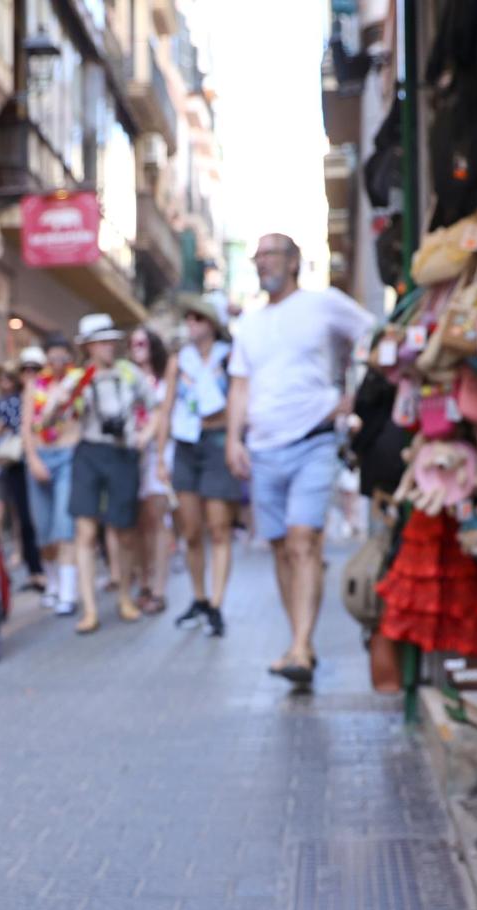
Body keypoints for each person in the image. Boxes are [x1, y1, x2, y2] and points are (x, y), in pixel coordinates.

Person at [225, 234, 374, 684]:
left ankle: (302, 647)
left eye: (270, 254)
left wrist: (355, 394)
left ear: (293, 262)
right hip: (263, 447)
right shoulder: (249, 324)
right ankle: (297, 643)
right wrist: (233, 439)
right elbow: (240, 386)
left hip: (314, 439)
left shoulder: (323, 304)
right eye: (257, 256)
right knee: (280, 547)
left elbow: (371, 332)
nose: (261, 263)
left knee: (303, 539)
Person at [40, 314, 157, 633]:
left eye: (110, 340)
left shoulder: (128, 372)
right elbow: (46, 422)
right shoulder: (79, 378)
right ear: (88, 347)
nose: (108, 346)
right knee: (85, 531)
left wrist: (145, 437)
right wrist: (58, 404)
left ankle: (125, 596)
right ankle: (90, 609)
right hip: (89, 452)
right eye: (101, 341)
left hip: (123, 453)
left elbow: (156, 408)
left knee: (124, 530)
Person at [155, 294, 237, 638]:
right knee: (190, 530)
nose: (191, 323)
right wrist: (161, 456)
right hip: (186, 445)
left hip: (217, 443)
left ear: (212, 324)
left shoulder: (229, 357)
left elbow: (239, 403)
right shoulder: (180, 362)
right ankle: (199, 598)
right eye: (188, 318)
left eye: (198, 318)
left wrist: (236, 441)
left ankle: (216, 604)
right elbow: (166, 409)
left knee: (219, 527)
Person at [23, 335, 83, 615]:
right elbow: (27, 428)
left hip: (67, 456)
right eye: (52, 357)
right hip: (41, 456)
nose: (58, 363)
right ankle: (53, 582)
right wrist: (33, 460)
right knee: (44, 527)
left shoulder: (77, 384)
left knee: (65, 524)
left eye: (63, 357)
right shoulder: (34, 386)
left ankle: (68, 591)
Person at [129, 325, 173, 615]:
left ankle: (158, 588)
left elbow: (164, 415)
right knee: (138, 523)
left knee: (158, 519)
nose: (137, 348)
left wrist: (160, 459)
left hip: (159, 452)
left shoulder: (165, 377)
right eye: (133, 344)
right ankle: (143, 581)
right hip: (132, 455)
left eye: (142, 343)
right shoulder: (126, 378)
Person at [2, 350, 46, 590]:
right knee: (26, 518)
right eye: (25, 370)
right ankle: (35, 570)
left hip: (46, 460)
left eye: (35, 369)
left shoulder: (51, 394)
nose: (30, 374)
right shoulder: (11, 401)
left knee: (45, 518)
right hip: (20, 464)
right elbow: (3, 426)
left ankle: (52, 572)